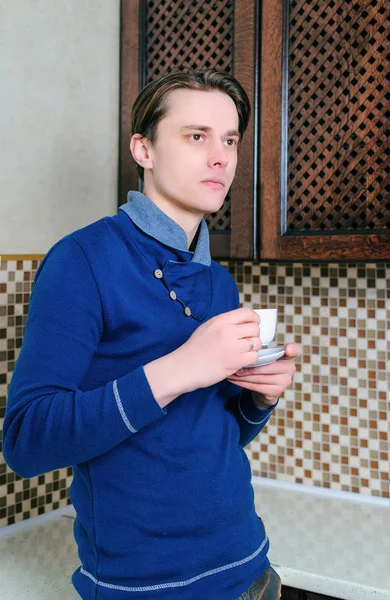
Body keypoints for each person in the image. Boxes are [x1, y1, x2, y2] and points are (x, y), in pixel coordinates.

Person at [3, 69, 301, 600]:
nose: (221, 157)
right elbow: (25, 442)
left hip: (253, 570)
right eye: (196, 136)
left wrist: (258, 399)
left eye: (230, 140)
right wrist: (180, 368)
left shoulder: (218, 281)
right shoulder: (81, 261)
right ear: (144, 149)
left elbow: (213, 435)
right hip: (143, 588)